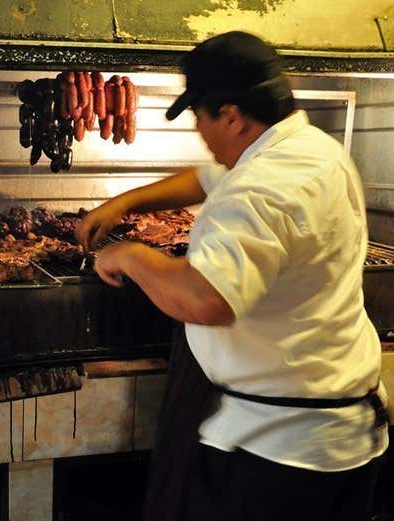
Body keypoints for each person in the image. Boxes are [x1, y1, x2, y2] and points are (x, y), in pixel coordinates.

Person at [75, 31, 389, 521]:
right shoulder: (309, 149)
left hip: (278, 457)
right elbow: (206, 178)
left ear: (231, 116)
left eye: (200, 117)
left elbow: (206, 300)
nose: (199, 131)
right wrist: (126, 202)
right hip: (335, 430)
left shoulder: (264, 187)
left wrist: (130, 255)